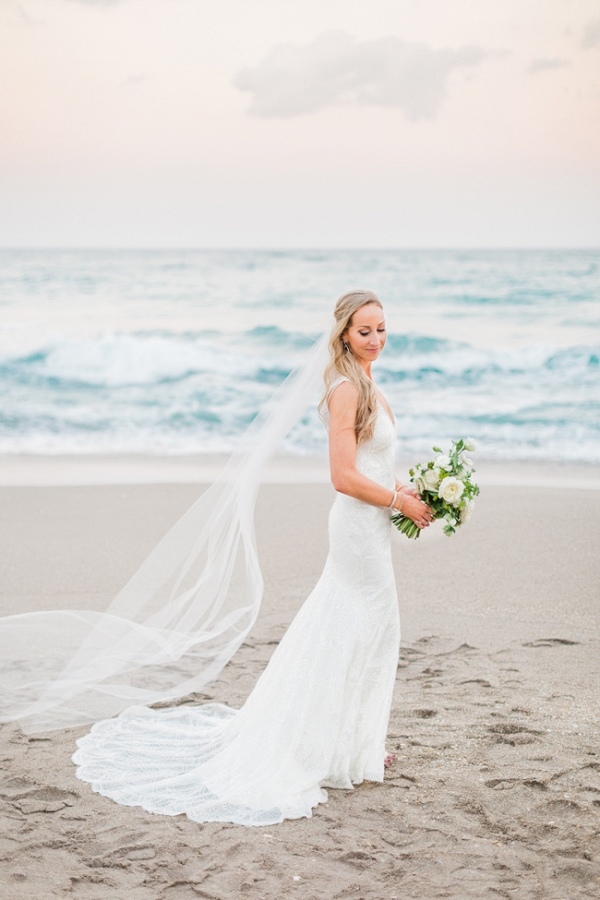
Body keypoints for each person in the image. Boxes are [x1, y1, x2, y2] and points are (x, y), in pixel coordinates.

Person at [71, 290, 434, 827]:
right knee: (358, 625)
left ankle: (353, 744)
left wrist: (407, 488)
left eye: (382, 329)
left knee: (366, 628)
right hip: (357, 527)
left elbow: (368, 464)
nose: (376, 340)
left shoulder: (368, 381)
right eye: (365, 332)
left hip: (372, 523)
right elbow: (340, 476)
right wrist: (397, 500)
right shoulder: (344, 390)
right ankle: (331, 749)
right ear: (343, 334)